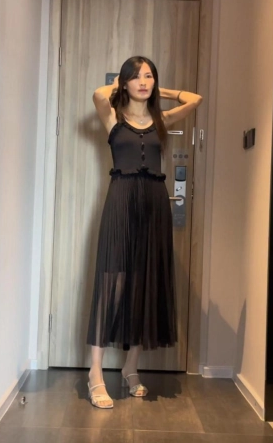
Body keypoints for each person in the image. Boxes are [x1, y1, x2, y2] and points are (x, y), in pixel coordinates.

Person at [86, 56, 203, 409]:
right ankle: (94, 373)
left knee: (144, 284)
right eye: (136, 77)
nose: (143, 81)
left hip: (154, 205)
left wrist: (160, 90)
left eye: (148, 76)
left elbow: (194, 99)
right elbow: (98, 94)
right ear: (124, 82)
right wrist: (121, 85)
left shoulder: (162, 120)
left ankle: (130, 368)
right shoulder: (113, 117)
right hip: (121, 202)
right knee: (113, 283)